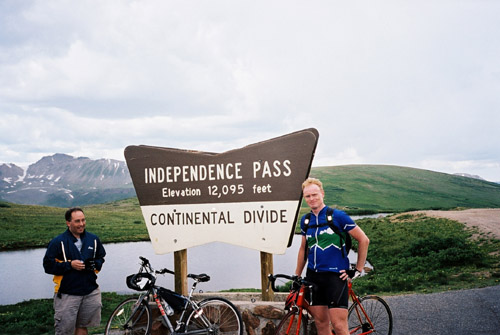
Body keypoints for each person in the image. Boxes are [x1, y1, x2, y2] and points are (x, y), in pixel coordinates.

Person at [295, 178, 369, 335]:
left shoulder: (338, 216)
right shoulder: (305, 220)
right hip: (313, 277)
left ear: (322, 194)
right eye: (307, 196)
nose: (311, 199)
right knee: (321, 324)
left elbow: (363, 240)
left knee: (339, 326)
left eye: (314, 194)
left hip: (335, 277)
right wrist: (297, 275)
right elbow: (303, 249)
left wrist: (357, 269)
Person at [43, 207, 106, 335]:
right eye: (77, 221)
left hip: (90, 291)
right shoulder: (57, 242)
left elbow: (101, 257)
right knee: (64, 331)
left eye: (83, 220)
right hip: (67, 293)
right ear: (68, 223)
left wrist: (95, 264)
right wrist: (69, 265)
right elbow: (48, 266)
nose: (81, 224)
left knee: (83, 327)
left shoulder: (93, 239)